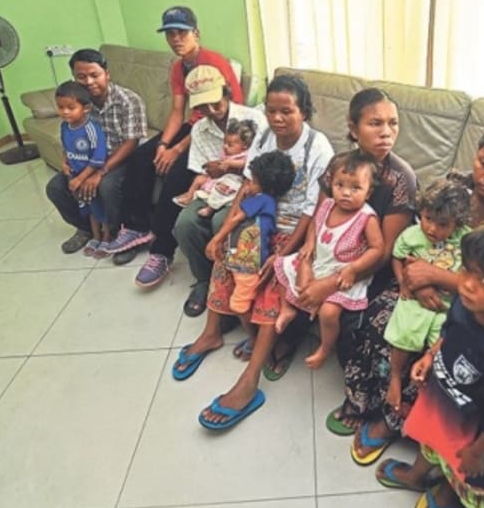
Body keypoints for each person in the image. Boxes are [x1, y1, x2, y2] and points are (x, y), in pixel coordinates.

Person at [339, 119, 484, 462]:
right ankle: (370, 400)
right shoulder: (455, 188)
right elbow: (413, 244)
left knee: (437, 347)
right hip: (418, 288)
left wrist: (437, 278)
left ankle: (396, 421)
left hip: (470, 307)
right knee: (380, 315)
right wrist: (414, 282)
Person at [170, 74, 334, 430]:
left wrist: (281, 255)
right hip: (260, 220)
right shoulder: (263, 136)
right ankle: (212, 332)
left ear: (303, 111)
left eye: (286, 111)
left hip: (294, 231)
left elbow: (312, 209)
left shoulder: (318, 147)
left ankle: (250, 379)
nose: (277, 119)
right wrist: (228, 230)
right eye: (272, 110)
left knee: (272, 282)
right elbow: (248, 185)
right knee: (228, 258)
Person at [375, 218, 484, 508]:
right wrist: (430, 356)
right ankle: (417, 476)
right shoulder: (464, 304)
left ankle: (445, 499)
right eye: (467, 270)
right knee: (431, 443)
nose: (467, 284)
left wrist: (478, 452)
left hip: (471, 433)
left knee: (463, 473)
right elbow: (447, 333)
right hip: (442, 401)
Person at [284, 88, 418, 391]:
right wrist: (308, 255)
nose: (387, 132)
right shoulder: (339, 166)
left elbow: (385, 253)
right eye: (375, 123)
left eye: (393, 123)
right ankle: (284, 339)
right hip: (331, 252)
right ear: (353, 127)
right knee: (288, 271)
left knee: (349, 317)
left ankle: (355, 387)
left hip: (371, 268)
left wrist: (328, 284)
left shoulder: (401, 178)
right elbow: (319, 216)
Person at [102, 7, 244, 287]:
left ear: (196, 34)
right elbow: (179, 110)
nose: (176, 38)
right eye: (170, 33)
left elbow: (219, 113)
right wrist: (164, 143)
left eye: (182, 32)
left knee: (175, 175)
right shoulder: (179, 66)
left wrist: (176, 150)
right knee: (143, 155)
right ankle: (136, 227)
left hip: (218, 127)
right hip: (193, 124)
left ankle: (162, 252)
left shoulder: (213, 63)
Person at [274, 150, 385, 369]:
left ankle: (325, 348)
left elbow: (377, 249)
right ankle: (286, 307)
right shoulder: (327, 205)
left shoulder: (366, 217)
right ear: (331, 183)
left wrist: (354, 269)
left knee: (329, 312)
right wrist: (309, 243)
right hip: (320, 259)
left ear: (369, 192)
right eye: (340, 185)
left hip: (342, 272)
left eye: (355, 188)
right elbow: (315, 224)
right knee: (283, 267)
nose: (345, 193)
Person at [189, 150, 297, 355]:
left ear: (263, 184)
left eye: (252, 181)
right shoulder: (268, 201)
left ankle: (254, 339)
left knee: (239, 305)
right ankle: (249, 336)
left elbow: (236, 217)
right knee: (241, 297)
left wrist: (217, 239)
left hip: (247, 263)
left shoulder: (262, 200)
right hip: (244, 258)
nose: (247, 185)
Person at [383, 179, 471, 414]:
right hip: (414, 301)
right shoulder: (412, 235)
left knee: (442, 349)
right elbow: (397, 256)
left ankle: (423, 393)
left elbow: (471, 275)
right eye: (427, 219)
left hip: (446, 306)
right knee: (404, 333)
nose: (432, 228)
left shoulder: (467, 241)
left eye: (442, 224)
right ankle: (395, 377)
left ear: (457, 224)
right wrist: (403, 281)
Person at [46, 49, 146, 254]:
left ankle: (121, 235)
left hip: (123, 157)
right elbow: (71, 136)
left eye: (94, 75)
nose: (89, 82)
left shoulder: (128, 100)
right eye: (81, 77)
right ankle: (87, 229)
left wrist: (100, 172)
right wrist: (66, 161)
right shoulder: (78, 102)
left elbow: (131, 143)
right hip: (87, 159)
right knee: (56, 186)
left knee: (107, 186)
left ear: (107, 74)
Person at [55, 81, 110, 257]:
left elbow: (97, 159)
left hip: (89, 175)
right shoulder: (64, 126)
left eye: (70, 107)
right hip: (76, 175)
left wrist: (82, 178)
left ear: (85, 108)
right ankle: (95, 236)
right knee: (88, 208)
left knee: (99, 207)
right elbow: (65, 148)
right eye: (61, 107)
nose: (65, 112)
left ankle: (107, 237)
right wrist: (65, 163)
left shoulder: (91, 129)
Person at [174, 118, 258, 218]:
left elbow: (244, 163)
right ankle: (189, 196)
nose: (225, 147)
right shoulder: (227, 153)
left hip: (233, 181)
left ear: (244, 146)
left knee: (222, 188)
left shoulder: (246, 154)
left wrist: (230, 163)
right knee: (199, 179)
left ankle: (210, 208)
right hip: (218, 178)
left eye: (230, 145)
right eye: (225, 143)